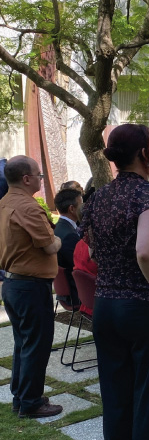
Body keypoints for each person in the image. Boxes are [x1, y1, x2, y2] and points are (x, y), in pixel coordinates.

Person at [80, 123, 149, 439]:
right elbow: (145, 251)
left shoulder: (99, 197)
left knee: (116, 398)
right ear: (143, 153)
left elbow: (93, 251)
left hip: (106, 307)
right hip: (146, 309)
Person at [0, 155, 63, 418]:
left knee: (23, 343)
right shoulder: (28, 207)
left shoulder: (4, 203)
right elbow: (49, 245)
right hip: (30, 286)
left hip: (14, 284)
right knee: (36, 345)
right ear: (26, 179)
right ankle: (31, 402)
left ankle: (21, 396)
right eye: (38, 175)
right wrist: (59, 239)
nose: (41, 179)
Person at [54, 188, 84, 307]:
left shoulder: (59, 228)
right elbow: (80, 265)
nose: (84, 208)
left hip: (67, 291)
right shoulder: (69, 235)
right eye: (81, 204)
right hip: (77, 292)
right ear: (72, 208)